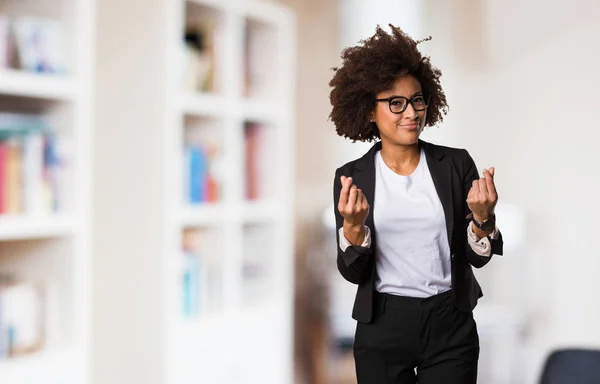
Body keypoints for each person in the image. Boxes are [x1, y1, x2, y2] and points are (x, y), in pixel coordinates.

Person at [329, 24, 504, 384]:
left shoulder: (456, 165)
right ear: (368, 111)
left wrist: (483, 219)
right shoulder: (352, 177)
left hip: (449, 323)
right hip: (383, 323)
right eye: (396, 103)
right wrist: (353, 228)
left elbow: (478, 258)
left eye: (418, 99)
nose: (411, 113)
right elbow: (353, 273)